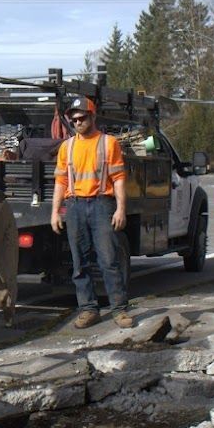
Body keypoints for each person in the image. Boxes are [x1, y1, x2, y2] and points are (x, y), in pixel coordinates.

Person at [50, 97, 134, 329]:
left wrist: (120, 209)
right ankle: (88, 309)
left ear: (93, 117)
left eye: (82, 118)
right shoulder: (67, 147)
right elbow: (60, 181)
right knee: (80, 263)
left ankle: (119, 309)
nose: (77, 122)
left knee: (109, 260)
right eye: (73, 119)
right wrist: (55, 212)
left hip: (102, 205)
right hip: (75, 206)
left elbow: (118, 179)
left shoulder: (109, 143)